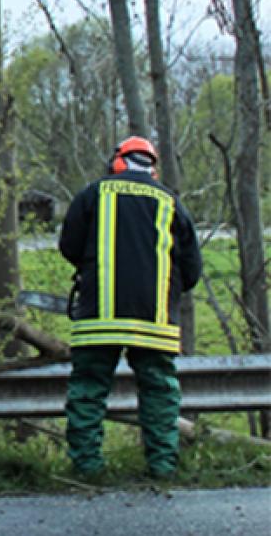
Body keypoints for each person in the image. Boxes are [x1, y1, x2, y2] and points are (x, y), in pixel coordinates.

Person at [58, 135, 202, 479]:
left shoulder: (93, 194)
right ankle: (163, 468)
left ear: (118, 161)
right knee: (159, 392)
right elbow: (192, 269)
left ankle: (87, 469)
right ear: (152, 167)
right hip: (154, 322)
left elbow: (69, 246)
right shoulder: (171, 202)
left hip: (99, 318)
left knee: (89, 390)